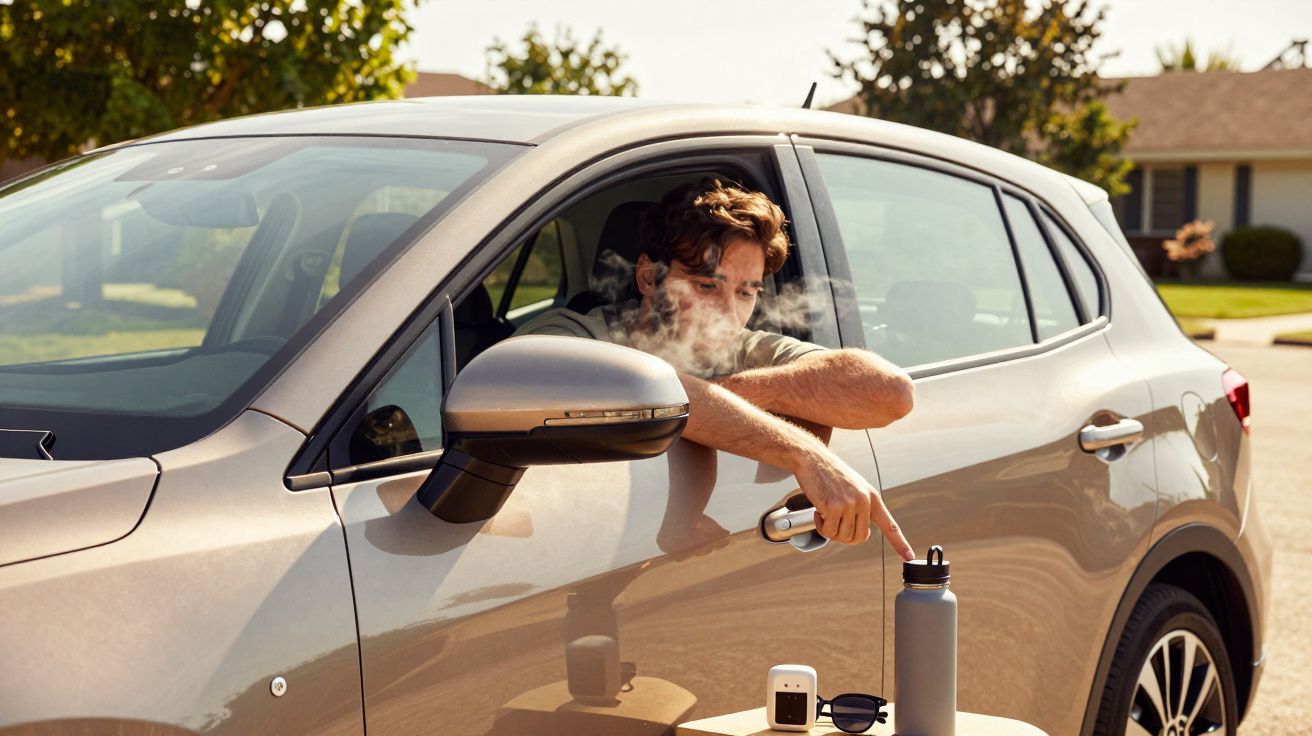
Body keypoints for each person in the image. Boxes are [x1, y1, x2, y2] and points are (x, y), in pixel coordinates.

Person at [513, 177, 915, 558]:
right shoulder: (574, 336)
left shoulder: (750, 351)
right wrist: (806, 453)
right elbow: (527, 384)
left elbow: (890, 393)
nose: (727, 314)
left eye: (745, 292)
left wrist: (724, 400)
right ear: (649, 276)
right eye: (707, 286)